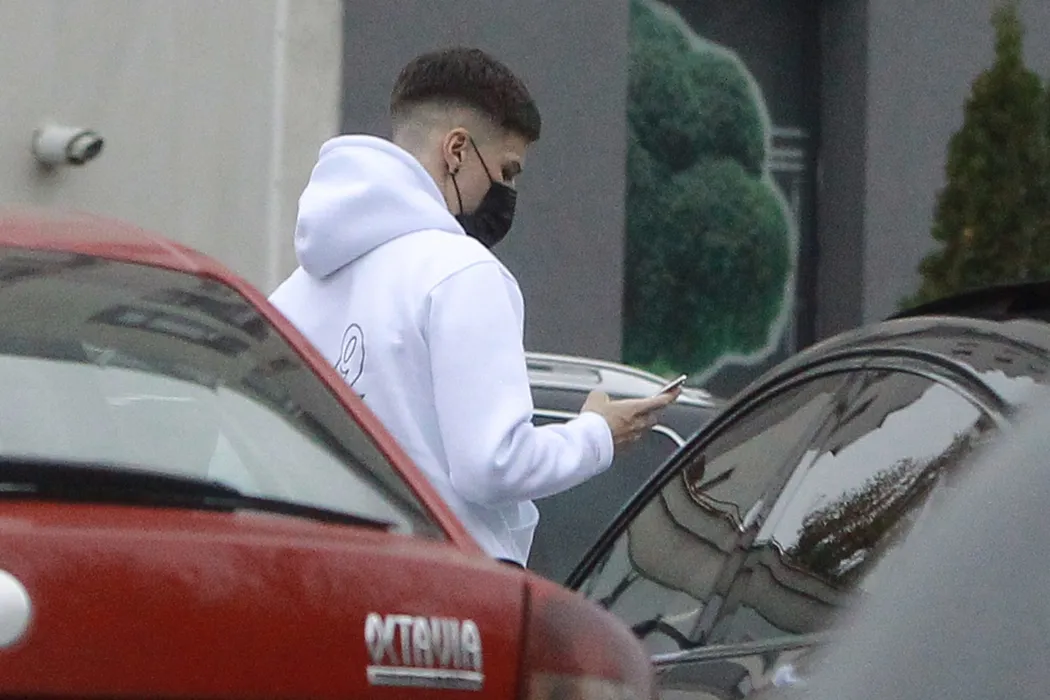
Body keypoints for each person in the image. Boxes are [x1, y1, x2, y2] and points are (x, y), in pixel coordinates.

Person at [269, 47, 678, 566]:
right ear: (457, 150)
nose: (508, 191)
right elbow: (493, 465)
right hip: (442, 588)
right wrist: (598, 435)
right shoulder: (461, 273)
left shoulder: (289, 298)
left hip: (314, 580)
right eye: (507, 171)